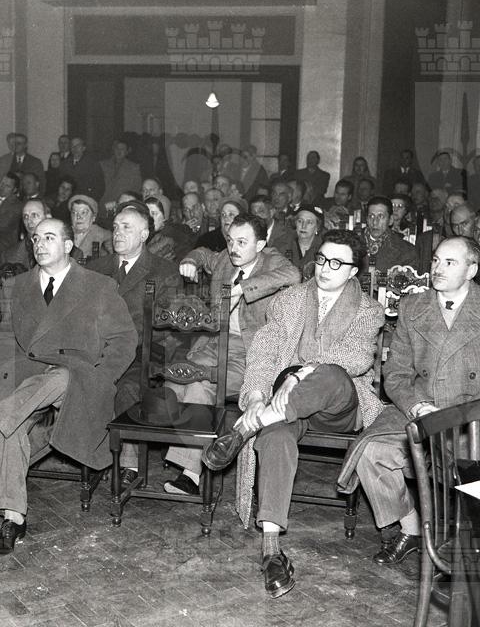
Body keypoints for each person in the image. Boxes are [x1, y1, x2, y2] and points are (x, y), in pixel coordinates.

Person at [203, 229, 384, 597]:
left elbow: (356, 357)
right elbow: (264, 350)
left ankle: (245, 429)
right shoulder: (289, 299)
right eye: (322, 259)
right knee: (275, 435)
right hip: (285, 410)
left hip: (338, 405)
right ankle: (271, 551)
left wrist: (301, 373)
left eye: (337, 263)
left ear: (353, 271)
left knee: (331, 375)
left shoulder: (368, 310)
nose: (325, 268)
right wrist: (257, 396)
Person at [0, 218, 137, 554]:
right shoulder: (16, 286)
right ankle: (13, 517)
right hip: (29, 381)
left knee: (63, 376)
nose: (39, 244)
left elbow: (124, 340)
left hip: (80, 379)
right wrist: (3, 383)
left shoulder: (98, 285)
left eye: (49, 237)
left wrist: (101, 377)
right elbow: (4, 342)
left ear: (69, 245)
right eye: (35, 238)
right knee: (12, 424)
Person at [340, 237, 480, 565]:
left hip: (470, 416)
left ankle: (468, 548)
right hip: (419, 408)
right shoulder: (413, 307)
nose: (438, 268)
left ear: (471, 270)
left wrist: (464, 414)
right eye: (436, 260)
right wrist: (417, 406)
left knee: (474, 474)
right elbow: (396, 373)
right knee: (371, 452)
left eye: (450, 262)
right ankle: (411, 527)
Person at [162, 214, 300, 495]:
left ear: (260, 244)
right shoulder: (226, 259)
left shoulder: (272, 260)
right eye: (230, 240)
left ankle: (191, 472)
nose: (233, 248)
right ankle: (192, 448)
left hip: (251, 352)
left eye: (242, 242)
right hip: (214, 344)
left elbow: (293, 275)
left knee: (200, 385)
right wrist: (191, 260)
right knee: (175, 381)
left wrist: (243, 288)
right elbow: (204, 253)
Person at [87, 203, 181, 484]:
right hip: (97, 349)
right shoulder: (96, 269)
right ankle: (95, 456)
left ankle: (129, 463)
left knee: (126, 386)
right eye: (115, 227)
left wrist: (123, 343)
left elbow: (167, 326)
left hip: (143, 351)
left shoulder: (164, 271)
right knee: (83, 380)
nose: (117, 233)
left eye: (126, 227)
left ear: (144, 235)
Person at [362, 196, 417, 272]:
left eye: (380, 216)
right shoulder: (352, 243)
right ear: (366, 219)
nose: (375, 222)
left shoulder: (406, 251)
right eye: (371, 216)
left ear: (390, 220)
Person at [0, 173, 23, 272]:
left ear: (14, 190)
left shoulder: (18, 205)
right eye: (2, 184)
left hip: (4, 242)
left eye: (7, 186)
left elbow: (3, 224)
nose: (2, 187)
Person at [145, 196, 193, 262]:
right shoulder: (146, 234)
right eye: (146, 213)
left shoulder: (172, 238)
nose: (149, 218)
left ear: (164, 216)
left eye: (154, 213)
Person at [284, 205, 325, 279]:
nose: (303, 226)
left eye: (309, 222)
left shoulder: (323, 248)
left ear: (317, 227)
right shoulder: (282, 243)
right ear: (295, 223)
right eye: (300, 221)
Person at [99, 138, 141, 211]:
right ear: (113, 150)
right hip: (103, 206)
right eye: (117, 148)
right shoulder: (102, 165)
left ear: (127, 151)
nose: (119, 151)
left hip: (122, 206)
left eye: (122, 149)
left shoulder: (134, 168)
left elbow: (136, 190)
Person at [59, 137, 105, 201]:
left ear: (83, 148)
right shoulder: (64, 164)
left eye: (78, 145)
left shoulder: (93, 164)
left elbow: (100, 187)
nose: (75, 148)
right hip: (67, 201)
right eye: (72, 146)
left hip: (85, 201)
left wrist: (90, 202)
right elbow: (61, 185)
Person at [69, 194, 112, 259]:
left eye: (83, 213)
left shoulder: (104, 236)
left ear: (93, 217)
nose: (78, 217)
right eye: (74, 213)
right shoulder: (64, 233)